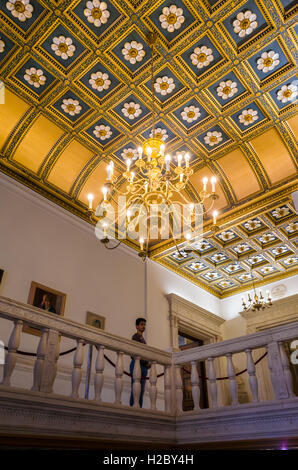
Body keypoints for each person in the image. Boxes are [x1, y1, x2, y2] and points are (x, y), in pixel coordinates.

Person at [129, 317, 150, 408]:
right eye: (141, 324)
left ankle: (139, 407)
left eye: (144, 325)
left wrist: (147, 363)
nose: (143, 326)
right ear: (137, 326)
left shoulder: (143, 339)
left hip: (144, 366)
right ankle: (133, 407)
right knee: (135, 388)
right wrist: (145, 363)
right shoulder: (135, 337)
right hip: (137, 365)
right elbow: (133, 353)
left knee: (141, 390)